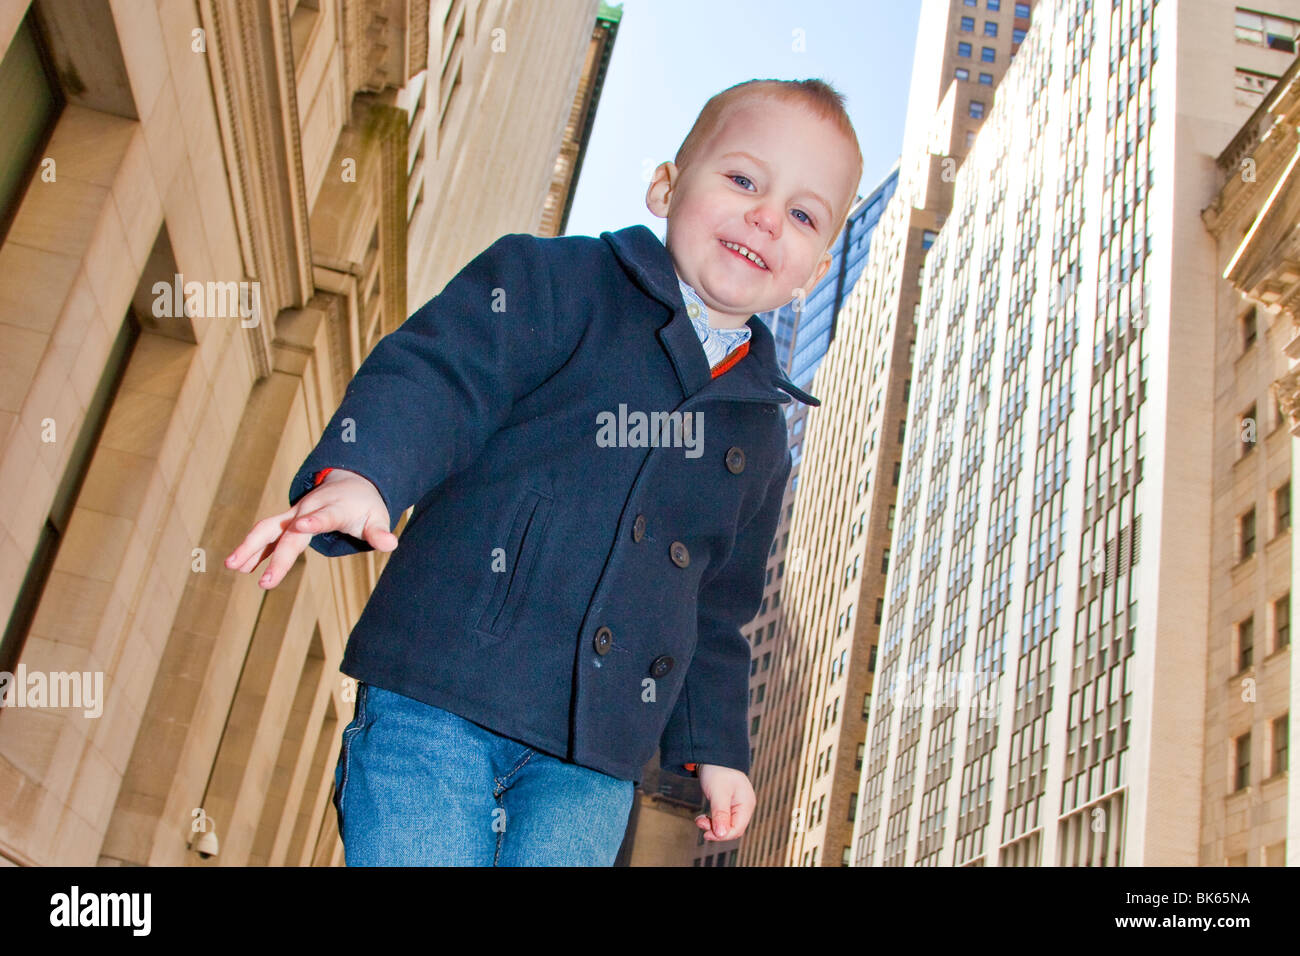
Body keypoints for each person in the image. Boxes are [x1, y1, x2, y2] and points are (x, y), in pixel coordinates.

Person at [225, 77, 863, 866]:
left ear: (815, 265)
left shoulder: (761, 432)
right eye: (742, 179)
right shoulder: (559, 283)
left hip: (593, 760)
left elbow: (719, 608)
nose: (767, 217)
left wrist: (715, 745)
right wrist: (365, 474)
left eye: (803, 215)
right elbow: (442, 377)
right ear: (666, 186)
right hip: (441, 688)